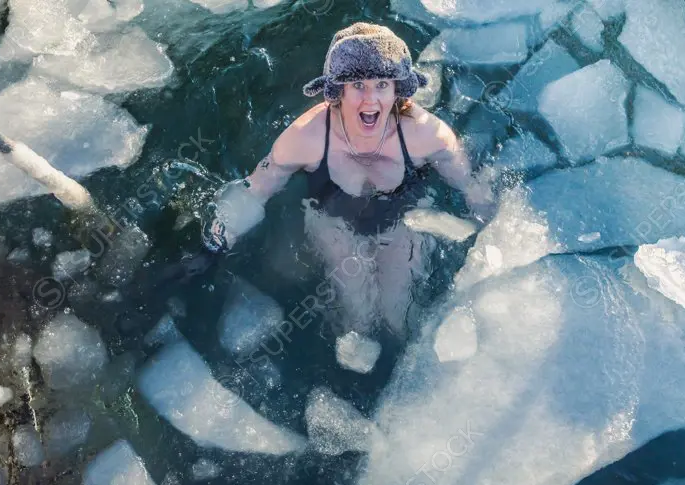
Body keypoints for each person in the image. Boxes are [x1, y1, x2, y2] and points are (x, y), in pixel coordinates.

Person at [204, 22, 495, 338]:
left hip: (401, 221)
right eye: (358, 84)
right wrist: (218, 237)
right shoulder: (306, 138)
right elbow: (256, 187)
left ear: (398, 88)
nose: (370, 100)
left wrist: (492, 226)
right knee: (359, 316)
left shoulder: (428, 136)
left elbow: (469, 186)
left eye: (382, 84)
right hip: (332, 220)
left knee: (398, 315)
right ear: (336, 90)